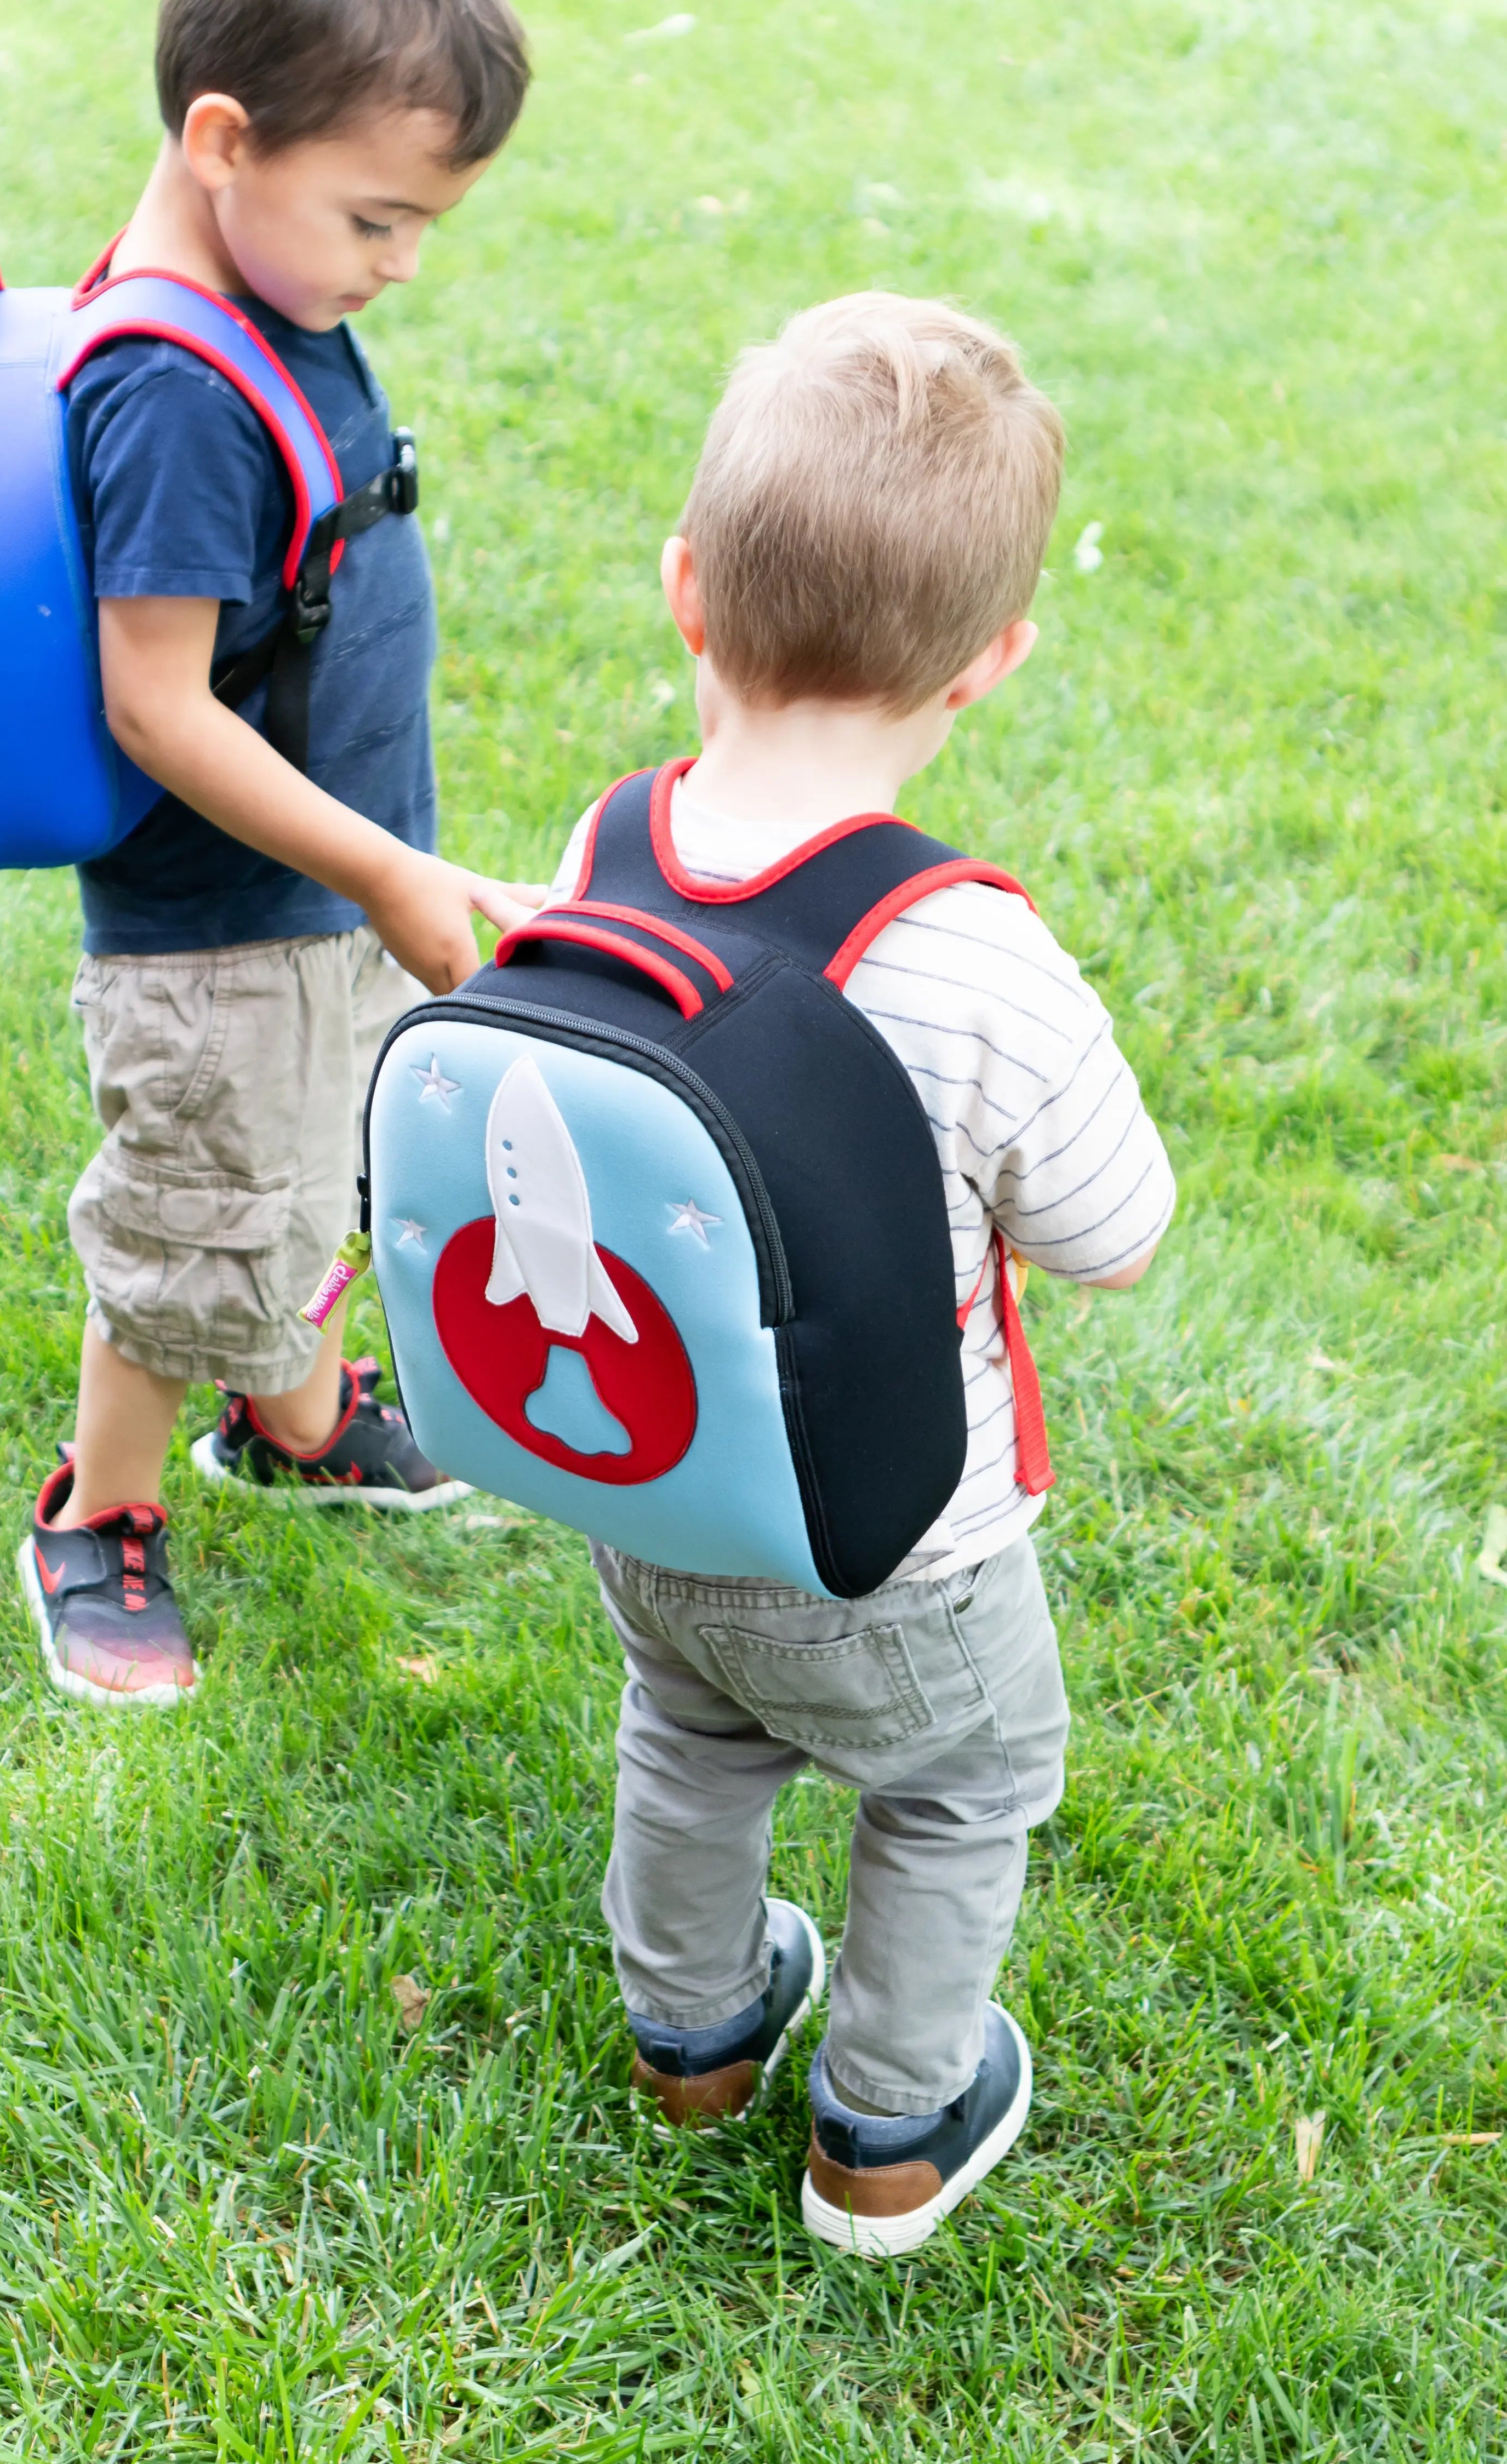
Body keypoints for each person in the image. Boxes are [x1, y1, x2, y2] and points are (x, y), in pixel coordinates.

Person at [558, 294, 1175, 2255]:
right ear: (992, 664)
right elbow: (1117, 1232)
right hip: (899, 1546)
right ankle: (890, 2132)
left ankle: (695, 2034)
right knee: (964, 1786)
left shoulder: (609, 840)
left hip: (656, 1489)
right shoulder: (971, 954)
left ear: (686, 593)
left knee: (692, 1733)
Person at [19, 0, 534, 1712]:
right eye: (378, 220)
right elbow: (157, 704)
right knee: (196, 1211)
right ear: (223, 139)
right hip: (224, 916)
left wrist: (380, 875)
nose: (398, 266)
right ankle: (104, 1508)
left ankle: (298, 1418)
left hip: (320, 883)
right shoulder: (170, 379)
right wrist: (385, 869)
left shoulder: (266, 269)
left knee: (302, 1174)